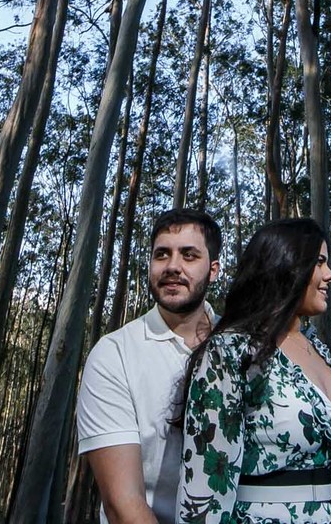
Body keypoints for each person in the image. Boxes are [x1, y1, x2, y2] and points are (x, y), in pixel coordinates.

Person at [174, 218, 331, 524]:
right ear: (285, 264)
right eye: (319, 262)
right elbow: (205, 489)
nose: (330, 274)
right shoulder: (230, 351)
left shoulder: (318, 349)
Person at [77, 208, 222, 524]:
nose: (172, 266)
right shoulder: (114, 355)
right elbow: (122, 504)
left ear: (213, 270)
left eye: (189, 255)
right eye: (162, 254)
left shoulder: (242, 346)